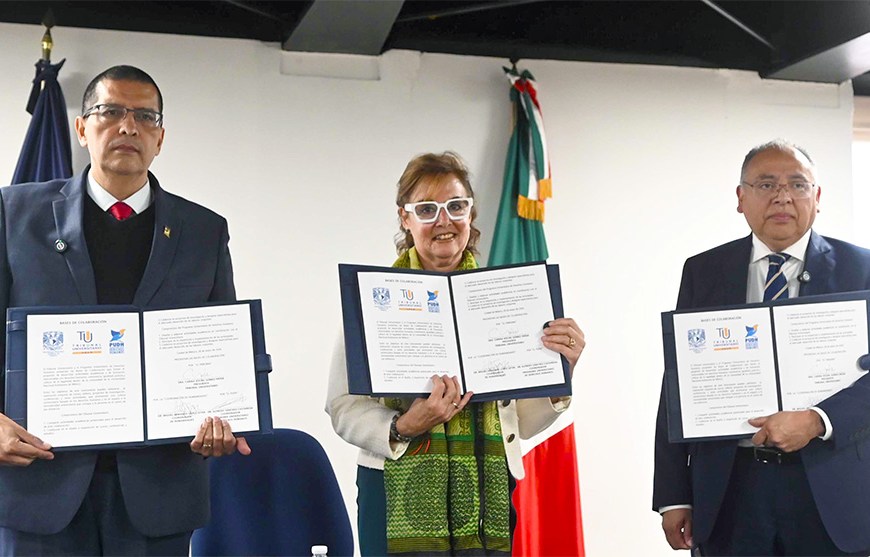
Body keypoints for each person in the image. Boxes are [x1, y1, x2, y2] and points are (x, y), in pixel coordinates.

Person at [0, 65, 250, 555]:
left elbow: (219, 345)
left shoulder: (203, 230)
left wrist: (222, 414)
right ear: (82, 127)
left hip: (158, 494)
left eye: (145, 116)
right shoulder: (13, 215)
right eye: (110, 111)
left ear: (161, 137)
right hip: (40, 486)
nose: (128, 126)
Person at [326, 151, 585, 556]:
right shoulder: (370, 299)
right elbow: (343, 407)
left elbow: (515, 423)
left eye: (456, 206)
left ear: (470, 214)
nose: (443, 220)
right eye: (427, 209)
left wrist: (559, 373)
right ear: (405, 219)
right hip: (392, 491)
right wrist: (403, 426)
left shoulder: (505, 300)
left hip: (489, 491)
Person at [653, 140, 870, 556]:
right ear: (741, 198)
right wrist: (673, 494)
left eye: (798, 185)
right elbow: (678, 382)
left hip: (831, 488)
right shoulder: (703, 270)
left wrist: (817, 420)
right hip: (730, 490)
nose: (782, 196)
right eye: (766, 184)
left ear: (818, 197)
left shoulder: (861, 268)